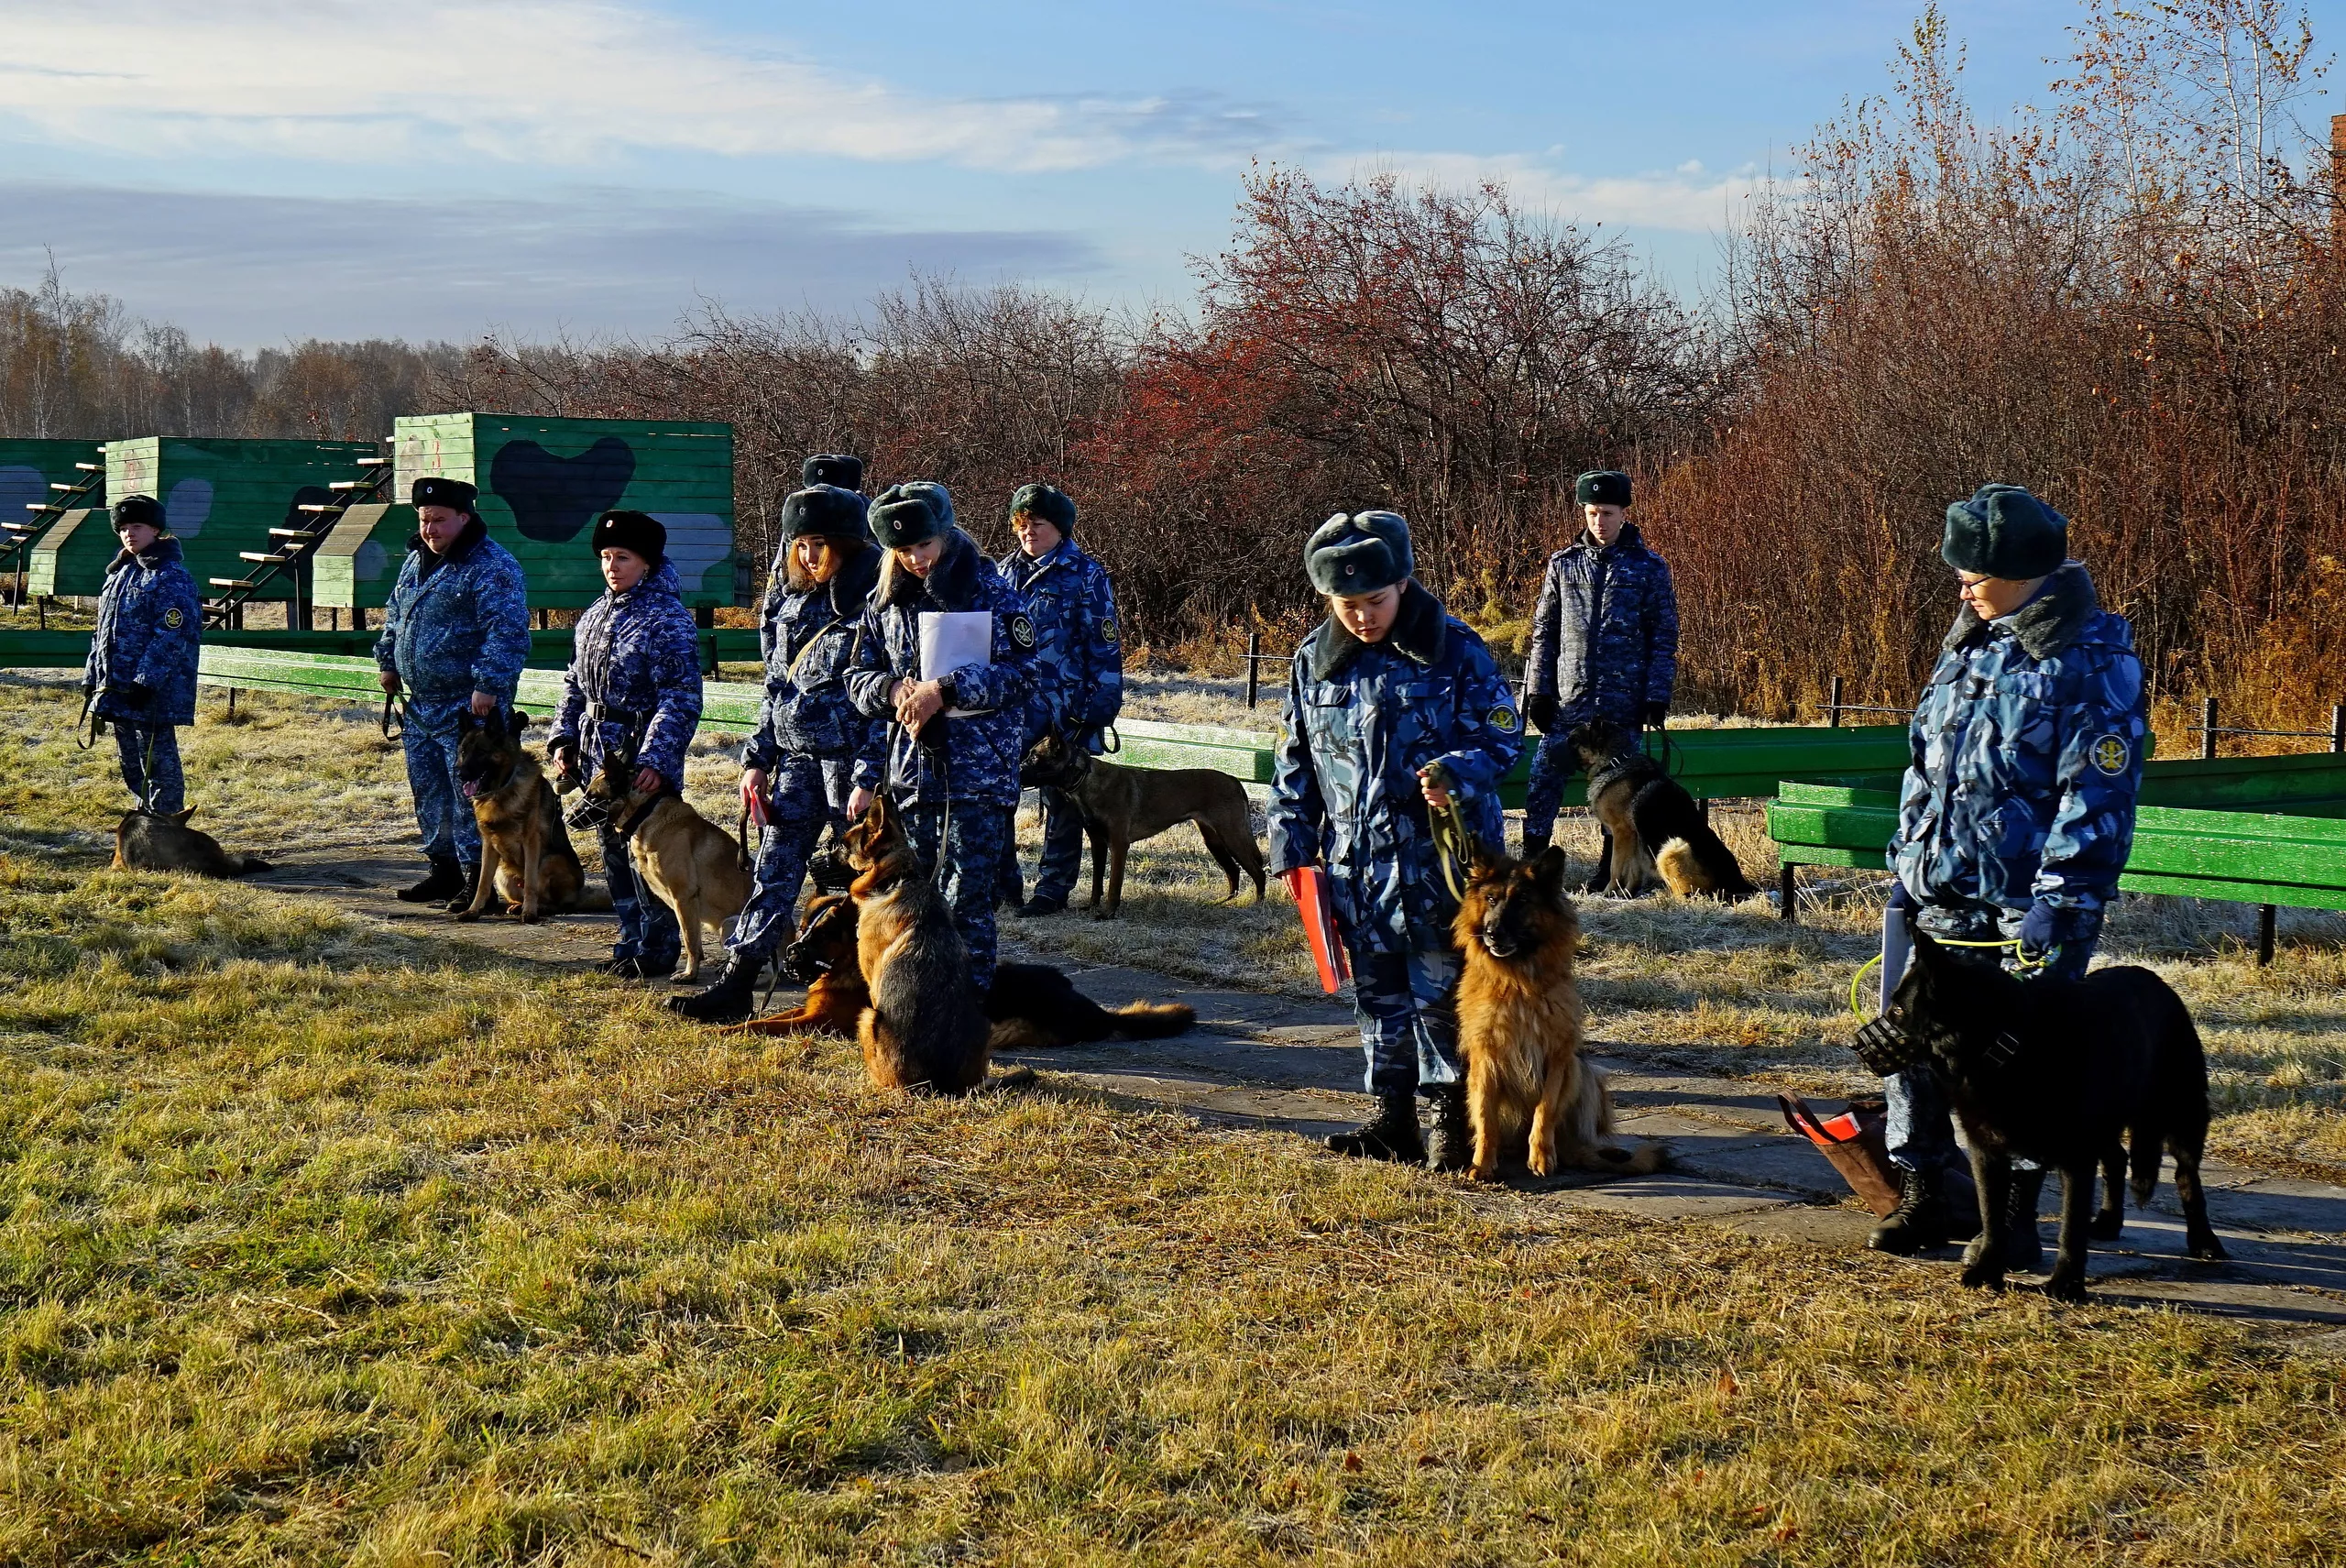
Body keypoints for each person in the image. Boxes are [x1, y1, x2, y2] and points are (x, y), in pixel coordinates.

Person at [1871, 483, 2147, 1258]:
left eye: (1973, 572)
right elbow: (1927, 764)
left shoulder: (2092, 657)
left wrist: (2059, 899)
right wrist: (1909, 863)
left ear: (2024, 570)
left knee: (2024, 1066)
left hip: (2026, 908)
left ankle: (2015, 1219)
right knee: (1915, 1043)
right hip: (1942, 894)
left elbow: (2098, 790)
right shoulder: (1969, 639)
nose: (1960, 584)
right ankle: (1923, 1188)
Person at [1266, 510, 1526, 1169]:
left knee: (1442, 994)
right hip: (1356, 867)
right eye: (1346, 605)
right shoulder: (1312, 663)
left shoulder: (1456, 649)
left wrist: (1454, 773)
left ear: (1404, 584)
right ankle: (1391, 1116)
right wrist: (1291, 849)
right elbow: (1295, 762)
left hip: (1441, 865)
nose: (1362, 617)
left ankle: (1450, 1119)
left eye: (1374, 601)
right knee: (1377, 994)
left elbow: (1502, 738)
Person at [671, 483, 882, 1021]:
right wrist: (757, 759)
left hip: (849, 764)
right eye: (802, 543)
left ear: (849, 545)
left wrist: (867, 776)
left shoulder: (877, 605)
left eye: (821, 544)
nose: (810, 555)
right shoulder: (791, 601)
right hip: (796, 764)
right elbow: (777, 687)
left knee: (866, 881)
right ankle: (737, 981)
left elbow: (886, 697)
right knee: (773, 872)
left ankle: (870, 987)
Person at [844, 484, 1038, 992]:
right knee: (915, 901)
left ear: (947, 534)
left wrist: (943, 689)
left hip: (977, 775)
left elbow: (1024, 675)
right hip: (911, 776)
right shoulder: (883, 603)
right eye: (903, 551)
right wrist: (890, 689)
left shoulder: (994, 594)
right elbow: (856, 677)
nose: (916, 559)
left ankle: (968, 1011)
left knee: (965, 900)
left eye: (924, 545)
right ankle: (923, 1004)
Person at [548, 510, 706, 979]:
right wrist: (564, 737)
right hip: (598, 752)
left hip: (639, 758)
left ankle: (659, 948)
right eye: (605, 556)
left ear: (648, 564)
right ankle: (631, 939)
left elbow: (681, 697)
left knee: (652, 854)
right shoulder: (594, 616)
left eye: (623, 557)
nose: (612, 566)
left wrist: (656, 758)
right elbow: (575, 681)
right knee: (612, 849)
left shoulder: (667, 619)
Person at [374, 476, 532, 909]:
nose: (430, 529)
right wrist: (388, 661)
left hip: (469, 707)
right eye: (424, 520)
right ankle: (442, 870)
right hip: (421, 704)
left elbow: (508, 632)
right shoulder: (415, 562)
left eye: (439, 520)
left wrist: (488, 685)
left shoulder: (491, 566)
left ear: (464, 517)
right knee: (429, 791)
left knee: (471, 798)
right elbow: (394, 615)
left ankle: (476, 880)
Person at [1520, 469, 1679, 858]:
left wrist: (1656, 695)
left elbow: (1663, 637)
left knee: (1619, 788)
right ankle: (1533, 861)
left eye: (1607, 513)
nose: (1599, 522)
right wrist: (1538, 692)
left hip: (1622, 704)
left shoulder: (1649, 567)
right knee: (1544, 778)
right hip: (1570, 703)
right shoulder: (1563, 565)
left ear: (1623, 513)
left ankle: (1612, 868)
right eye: (1592, 513)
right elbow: (1545, 631)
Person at [992, 482, 1124, 917]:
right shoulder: (999, 574)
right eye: (1021, 524)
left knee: (1063, 804)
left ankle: (1052, 889)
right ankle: (1003, 885)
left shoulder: (1086, 574)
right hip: (1008, 707)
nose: (1028, 532)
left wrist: (1096, 714)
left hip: (1064, 710)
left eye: (1038, 524)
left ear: (1060, 528)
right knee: (998, 797)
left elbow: (1103, 650)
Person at [83, 495, 200, 816]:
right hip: (116, 688)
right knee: (132, 764)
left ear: (156, 530)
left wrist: (146, 681)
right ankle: (146, 822)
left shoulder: (170, 576)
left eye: (137, 526)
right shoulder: (119, 574)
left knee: (158, 763)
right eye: (122, 528)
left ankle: (167, 829)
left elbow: (173, 633)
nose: (129, 534)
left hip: (151, 692)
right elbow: (102, 633)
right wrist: (92, 677)